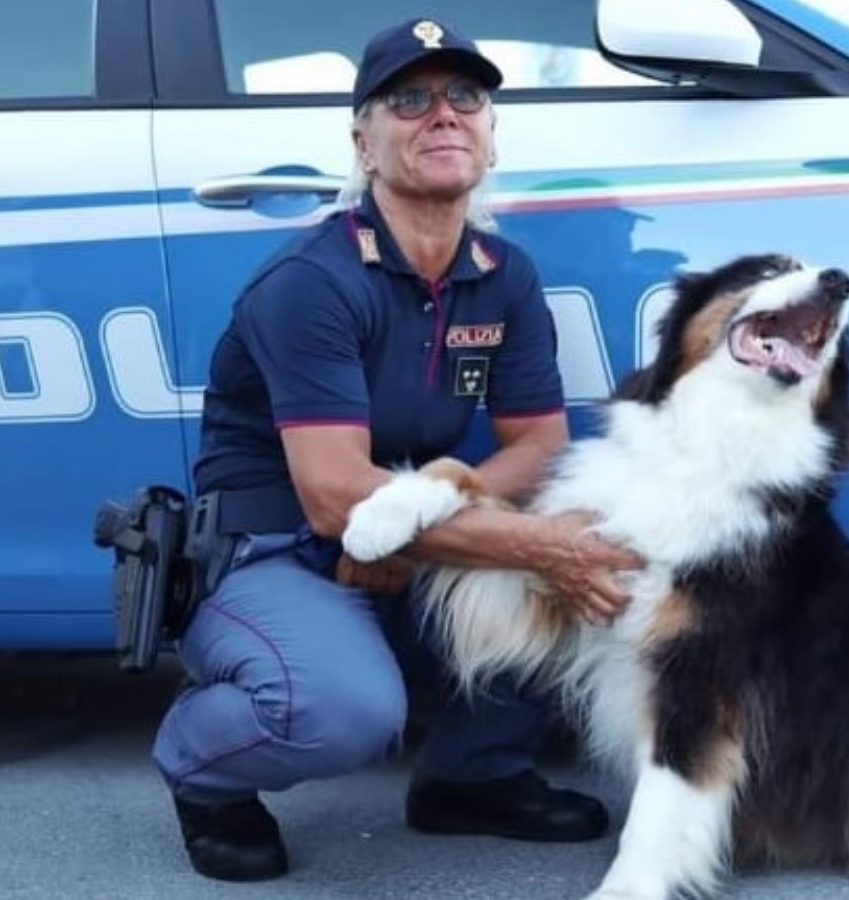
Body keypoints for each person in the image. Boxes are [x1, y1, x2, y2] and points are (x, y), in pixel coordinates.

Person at [149, 16, 644, 884]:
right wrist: (531, 547)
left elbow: (538, 445)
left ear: (491, 137)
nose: (443, 115)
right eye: (408, 99)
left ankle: (472, 778)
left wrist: (424, 526)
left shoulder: (502, 271)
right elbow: (336, 500)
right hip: (279, 552)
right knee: (342, 710)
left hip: (399, 531)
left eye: (465, 98)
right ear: (363, 143)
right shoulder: (312, 281)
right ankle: (204, 771)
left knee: (579, 553)